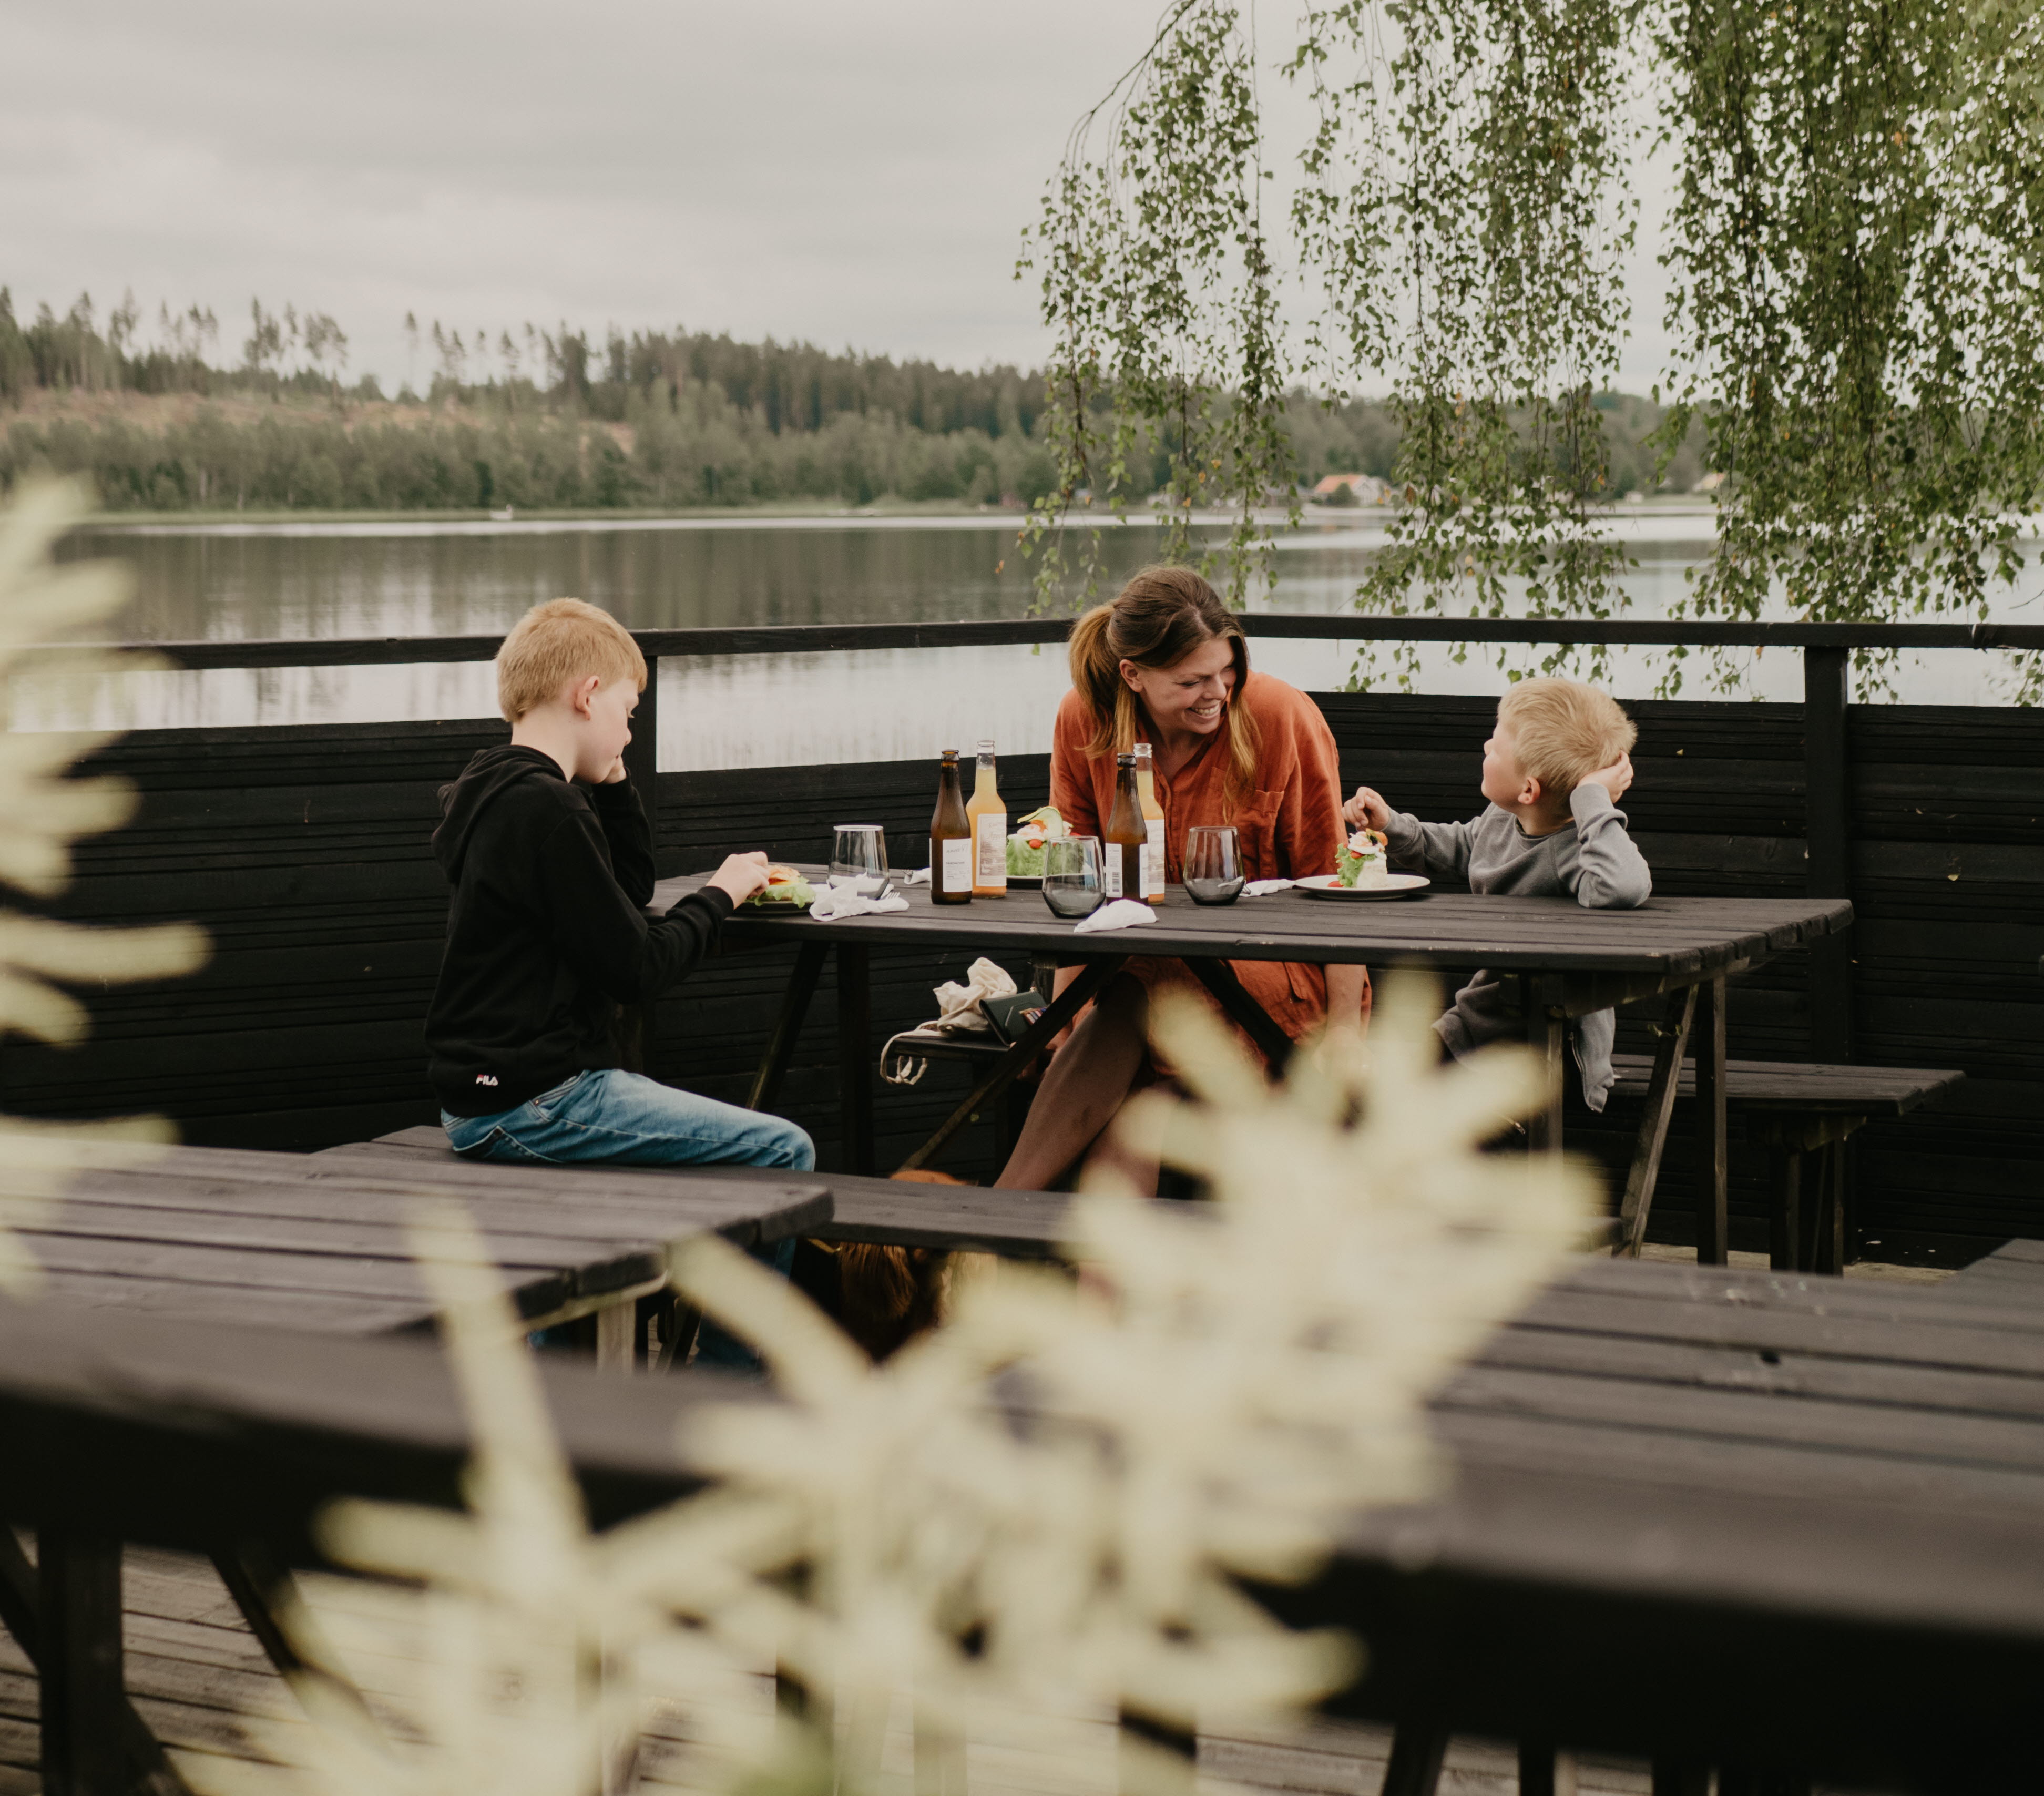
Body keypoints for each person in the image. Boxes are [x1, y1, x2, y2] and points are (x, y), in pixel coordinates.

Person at [994, 566, 1363, 1192]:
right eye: (1190, 680)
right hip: (1136, 986)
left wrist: (1349, 1037)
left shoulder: (1280, 716)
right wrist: (1069, 1015)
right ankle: (1012, 1235)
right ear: (1131, 675)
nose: (1216, 691)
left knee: (1140, 991)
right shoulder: (1083, 720)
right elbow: (1079, 886)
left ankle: (992, 1221)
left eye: (1226, 671)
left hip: (1275, 976)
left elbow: (1336, 883)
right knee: (1137, 1092)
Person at [425, 596, 813, 1173]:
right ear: (588, 694)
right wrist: (721, 892)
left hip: (482, 1096)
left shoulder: (497, 789)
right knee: (785, 1150)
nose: (630, 733)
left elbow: (627, 891)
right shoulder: (548, 807)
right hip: (534, 1100)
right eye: (629, 711)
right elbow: (636, 968)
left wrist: (613, 780)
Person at [1342, 675, 1650, 1110]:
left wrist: (1594, 799)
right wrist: (1391, 824)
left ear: (1528, 789)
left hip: (1545, 1049)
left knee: (1391, 1100)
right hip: (1480, 1023)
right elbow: (1463, 848)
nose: (1486, 747)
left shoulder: (1577, 852)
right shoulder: (1503, 819)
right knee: (1369, 1089)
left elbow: (1625, 885)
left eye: (1495, 745)